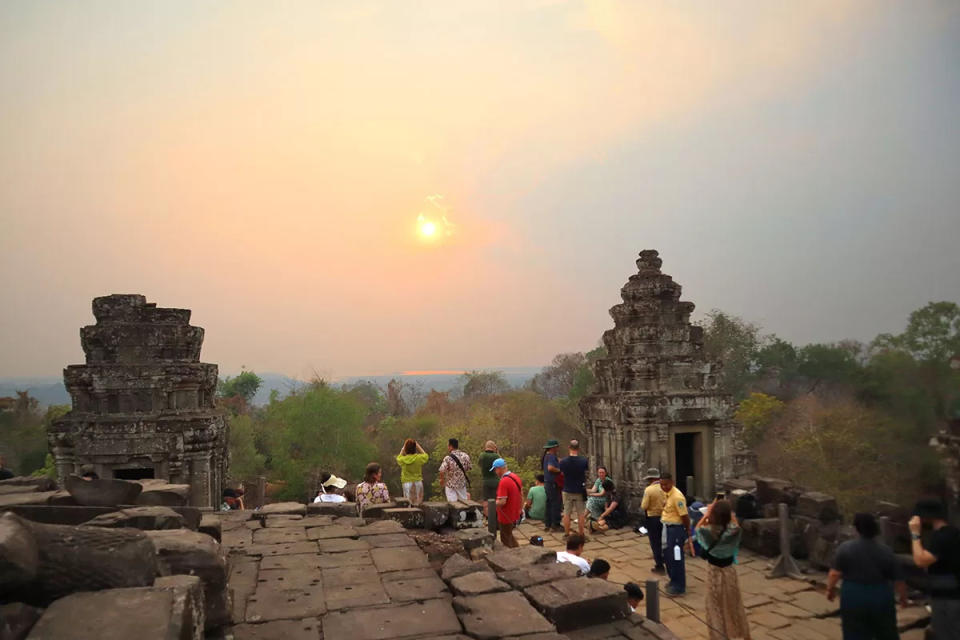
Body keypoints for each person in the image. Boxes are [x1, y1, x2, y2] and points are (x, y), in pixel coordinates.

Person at [827, 513, 905, 640]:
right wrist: (903, 597)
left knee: (854, 631)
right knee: (886, 630)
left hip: (853, 594)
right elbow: (899, 580)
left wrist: (830, 590)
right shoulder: (886, 551)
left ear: (856, 529)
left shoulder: (845, 548)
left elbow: (835, 573)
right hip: (880, 594)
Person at [695, 499, 751, 640]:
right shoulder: (734, 531)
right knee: (733, 604)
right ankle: (738, 633)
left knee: (715, 606)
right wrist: (729, 515)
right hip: (729, 571)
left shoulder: (707, 531)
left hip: (714, 572)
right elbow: (735, 523)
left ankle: (718, 636)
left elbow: (698, 528)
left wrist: (706, 514)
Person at [909, 498, 960, 638]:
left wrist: (915, 534)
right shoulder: (949, 533)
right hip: (946, 595)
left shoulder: (944, 536)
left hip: (948, 598)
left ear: (926, 516)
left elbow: (920, 560)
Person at [659, 472, 692, 596]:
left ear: (671, 483)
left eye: (666, 484)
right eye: (661, 485)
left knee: (677, 557)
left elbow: (684, 516)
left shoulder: (677, 496)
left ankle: (679, 586)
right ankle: (673, 580)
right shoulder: (667, 494)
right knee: (668, 556)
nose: (664, 487)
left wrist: (687, 529)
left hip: (676, 529)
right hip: (667, 527)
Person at [558, 440, 589, 539]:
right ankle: (581, 534)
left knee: (567, 513)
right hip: (579, 489)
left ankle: (567, 534)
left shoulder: (563, 461)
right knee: (580, 514)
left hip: (567, 489)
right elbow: (585, 472)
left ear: (569, 448)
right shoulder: (584, 461)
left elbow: (562, 473)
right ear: (578, 449)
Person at [492, 457, 522, 548]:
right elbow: (521, 494)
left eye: (495, 469)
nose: (495, 472)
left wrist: (492, 504)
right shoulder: (515, 477)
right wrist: (520, 509)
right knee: (509, 535)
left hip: (505, 515)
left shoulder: (504, 482)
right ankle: (519, 551)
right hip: (514, 513)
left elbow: (502, 501)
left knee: (505, 539)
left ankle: (511, 558)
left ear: (499, 468)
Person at [641, 468, 666, 574]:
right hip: (665, 517)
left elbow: (644, 506)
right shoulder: (665, 487)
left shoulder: (649, 490)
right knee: (664, 540)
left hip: (653, 518)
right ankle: (667, 560)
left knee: (655, 542)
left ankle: (659, 565)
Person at [437, 438, 472, 502]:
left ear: (450, 446)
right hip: (461, 485)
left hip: (451, 485)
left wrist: (442, 480)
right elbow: (468, 468)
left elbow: (441, 470)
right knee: (464, 504)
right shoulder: (465, 456)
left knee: (453, 505)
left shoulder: (448, 458)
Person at [396, 439, 429, 505]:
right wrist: (418, 446)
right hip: (418, 482)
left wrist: (402, 450)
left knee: (408, 504)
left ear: (405, 449)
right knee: (418, 504)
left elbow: (398, 458)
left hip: (406, 483)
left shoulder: (403, 459)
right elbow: (426, 456)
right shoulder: (419, 458)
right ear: (414, 448)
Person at [541, 440, 563, 533]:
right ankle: (555, 524)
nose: (558, 448)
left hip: (547, 483)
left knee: (549, 503)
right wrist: (559, 470)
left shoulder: (547, 456)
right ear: (553, 448)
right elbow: (550, 468)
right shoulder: (551, 457)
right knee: (556, 504)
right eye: (557, 447)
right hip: (553, 483)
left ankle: (548, 524)